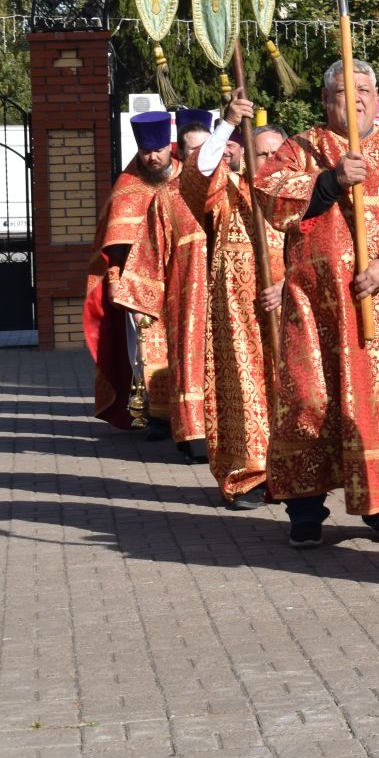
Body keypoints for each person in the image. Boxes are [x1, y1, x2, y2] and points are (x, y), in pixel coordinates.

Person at [254, 59, 379, 549]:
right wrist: (328, 181)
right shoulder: (300, 148)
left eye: (365, 89)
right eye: (346, 90)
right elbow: (268, 194)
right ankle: (305, 507)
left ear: (377, 96)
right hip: (315, 306)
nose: (357, 98)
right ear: (328, 100)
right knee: (308, 403)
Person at [170, 98, 285, 506]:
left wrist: (286, 285)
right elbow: (198, 174)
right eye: (260, 154)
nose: (268, 162)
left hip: (288, 310)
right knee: (243, 389)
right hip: (237, 315)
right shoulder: (227, 192)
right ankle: (248, 474)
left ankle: (289, 473)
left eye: (275, 155)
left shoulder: (298, 196)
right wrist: (228, 124)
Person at [118, 108, 220, 465]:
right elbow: (150, 250)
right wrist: (140, 298)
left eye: (207, 149)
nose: (199, 157)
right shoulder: (168, 197)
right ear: (183, 154)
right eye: (191, 151)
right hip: (188, 298)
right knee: (190, 364)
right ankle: (195, 438)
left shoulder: (238, 188)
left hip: (234, 298)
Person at [83, 110, 179, 436]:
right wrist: (119, 289)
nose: (153, 157)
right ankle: (156, 417)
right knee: (146, 351)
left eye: (158, 150)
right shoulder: (128, 187)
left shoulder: (189, 177)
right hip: (140, 288)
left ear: (170, 145)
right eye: (146, 151)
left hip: (185, 281)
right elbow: (116, 250)